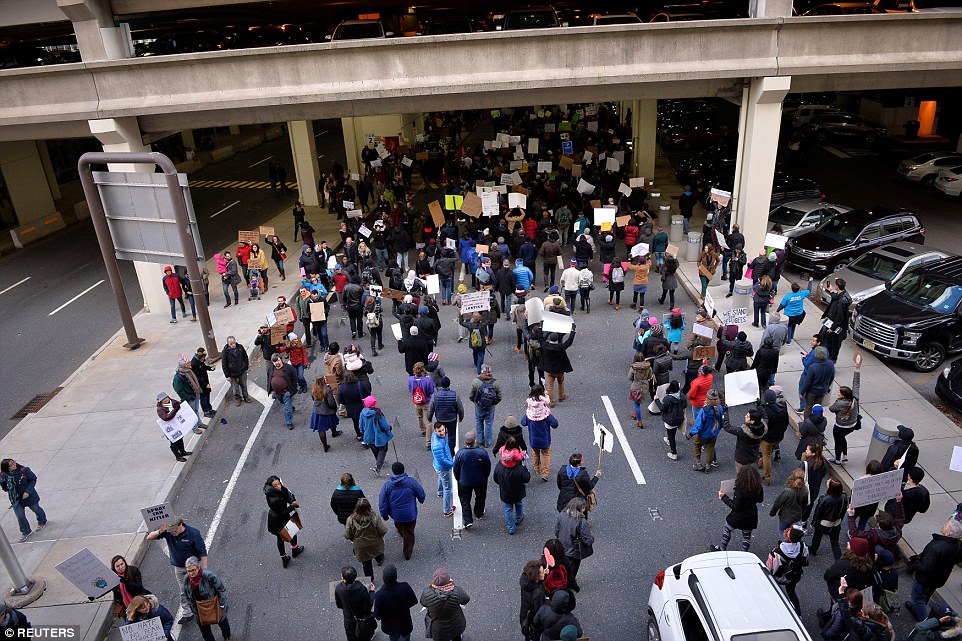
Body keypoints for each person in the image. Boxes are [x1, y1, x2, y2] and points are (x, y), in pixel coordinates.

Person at [146, 516, 207, 624]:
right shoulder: (168, 532)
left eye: (174, 531)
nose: (172, 533)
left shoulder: (193, 533)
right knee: (183, 590)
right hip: (179, 568)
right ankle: (187, 613)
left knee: (199, 587)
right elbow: (149, 537)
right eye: (171, 531)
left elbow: (202, 551)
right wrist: (161, 531)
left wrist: (205, 569)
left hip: (193, 567)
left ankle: (206, 605)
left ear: (180, 525)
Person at [906, 519, 962, 621]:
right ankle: (915, 609)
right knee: (926, 595)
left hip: (925, 579)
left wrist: (916, 564)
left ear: (948, 533)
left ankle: (923, 620)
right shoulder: (957, 545)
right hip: (939, 577)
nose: (944, 524)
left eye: (946, 525)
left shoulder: (937, 547)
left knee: (918, 598)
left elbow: (925, 567)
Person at [378, 462, 425, 561]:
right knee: (409, 532)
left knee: (399, 525)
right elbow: (421, 493)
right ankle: (407, 552)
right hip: (410, 514)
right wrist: (421, 499)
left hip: (396, 515)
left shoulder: (388, 485)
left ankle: (401, 532)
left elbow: (382, 500)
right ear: (403, 470)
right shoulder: (411, 482)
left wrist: (384, 514)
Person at [712, 464, 764, 552]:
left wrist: (723, 497)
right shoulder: (758, 487)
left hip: (738, 517)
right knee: (747, 537)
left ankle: (722, 548)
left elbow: (735, 506)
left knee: (727, 529)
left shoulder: (740, 490)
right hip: (751, 516)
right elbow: (760, 500)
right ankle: (744, 553)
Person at [180, 556, 230, 641]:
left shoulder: (209, 576)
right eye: (189, 571)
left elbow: (221, 590)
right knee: (205, 631)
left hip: (214, 604)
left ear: (198, 568)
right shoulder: (186, 579)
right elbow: (187, 595)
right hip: (199, 607)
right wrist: (194, 611)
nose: (191, 573)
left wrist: (222, 605)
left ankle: (227, 636)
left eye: (193, 570)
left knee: (222, 622)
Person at [344, 497, 388, 588]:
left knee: (366, 564)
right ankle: (379, 560)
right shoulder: (374, 516)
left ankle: (370, 580)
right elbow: (382, 530)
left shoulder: (351, 519)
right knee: (377, 552)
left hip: (361, 546)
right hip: (374, 542)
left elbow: (347, 534)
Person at [0, 458, 47, 542]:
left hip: (29, 496)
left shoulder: (24, 470)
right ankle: (26, 531)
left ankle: (42, 521)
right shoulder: (3, 475)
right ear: (7, 468)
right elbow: (5, 487)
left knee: (36, 509)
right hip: (15, 499)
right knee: (20, 516)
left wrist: (28, 491)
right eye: (11, 465)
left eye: (14, 462)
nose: (14, 464)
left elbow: (33, 479)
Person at [263, 475, 304, 568]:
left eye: (279, 483)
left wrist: (292, 500)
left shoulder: (274, 492)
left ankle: (286, 557)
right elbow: (282, 512)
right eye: (275, 485)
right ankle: (293, 551)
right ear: (272, 487)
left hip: (278, 518)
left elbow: (287, 493)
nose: (279, 486)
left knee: (284, 536)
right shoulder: (275, 500)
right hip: (278, 519)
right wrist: (292, 506)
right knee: (288, 534)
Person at [766, 526, 808, 614]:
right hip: (795, 575)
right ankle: (798, 613)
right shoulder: (802, 546)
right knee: (791, 592)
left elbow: (773, 568)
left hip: (781, 576)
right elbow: (805, 561)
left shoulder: (778, 551)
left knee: (774, 590)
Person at [494, 436, 531, 535]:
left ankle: (511, 527)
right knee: (519, 504)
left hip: (505, 492)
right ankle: (519, 518)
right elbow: (527, 478)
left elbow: (495, 479)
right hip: (518, 492)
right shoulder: (519, 468)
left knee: (507, 509)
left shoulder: (499, 466)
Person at [453, 431, 491, 528]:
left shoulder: (460, 453)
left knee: (465, 500)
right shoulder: (482, 452)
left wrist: (459, 479)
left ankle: (468, 520)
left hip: (464, 481)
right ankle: (478, 513)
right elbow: (487, 466)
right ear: (475, 441)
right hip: (480, 480)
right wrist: (485, 476)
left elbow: (456, 469)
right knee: (480, 497)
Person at [828, 354, 861, 465]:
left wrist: (836, 403)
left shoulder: (840, 403)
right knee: (843, 438)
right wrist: (857, 370)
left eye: (839, 392)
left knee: (838, 441)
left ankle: (837, 459)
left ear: (842, 395)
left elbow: (831, 409)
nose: (837, 393)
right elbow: (856, 385)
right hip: (852, 425)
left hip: (840, 426)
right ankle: (845, 456)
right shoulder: (854, 398)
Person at [420, 569, 470, 641]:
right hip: (455, 623)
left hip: (438, 628)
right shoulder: (457, 591)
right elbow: (466, 600)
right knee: (456, 637)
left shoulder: (427, 592)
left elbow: (423, 603)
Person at [522, 385, 559, 481]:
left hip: (533, 440)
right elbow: (555, 424)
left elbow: (523, 422)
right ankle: (545, 473)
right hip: (545, 439)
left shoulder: (529, 413)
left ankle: (537, 468)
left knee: (535, 453)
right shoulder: (545, 413)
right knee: (546, 454)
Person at [555, 497, 593, 588]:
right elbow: (587, 540)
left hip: (561, 546)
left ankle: (560, 580)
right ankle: (569, 582)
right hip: (574, 549)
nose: (584, 509)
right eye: (583, 508)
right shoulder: (582, 522)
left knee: (561, 564)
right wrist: (592, 539)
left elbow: (556, 531)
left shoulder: (561, 515)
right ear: (579, 509)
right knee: (574, 566)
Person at [373, 565, 417, 641]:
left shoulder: (379, 595)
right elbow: (413, 601)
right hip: (405, 623)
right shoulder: (405, 586)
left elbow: (378, 616)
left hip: (391, 627)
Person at [810, 478, 849, 560]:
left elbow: (818, 513)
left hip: (824, 523)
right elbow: (844, 510)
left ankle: (813, 550)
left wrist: (814, 523)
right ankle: (839, 560)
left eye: (829, 481)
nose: (827, 481)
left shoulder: (824, 499)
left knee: (817, 536)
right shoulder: (844, 497)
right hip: (837, 523)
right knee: (835, 543)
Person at [688, 390, 725, 473]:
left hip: (703, 434)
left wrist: (691, 433)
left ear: (708, 399)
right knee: (710, 448)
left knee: (696, 445)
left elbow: (698, 425)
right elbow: (721, 421)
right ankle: (708, 466)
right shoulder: (720, 408)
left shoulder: (704, 411)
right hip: (713, 433)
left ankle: (698, 464)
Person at [722, 408, 767, 474]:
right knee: (749, 473)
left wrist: (725, 413)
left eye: (748, 416)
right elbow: (765, 417)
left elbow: (727, 427)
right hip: (753, 456)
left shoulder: (743, 432)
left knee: (741, 475)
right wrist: (759, 406)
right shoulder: (762, 429)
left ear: (752, 421)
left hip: (741, 458)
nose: (745, 416)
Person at [335, 566, 374, 641]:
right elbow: (367, 607)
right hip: (362, 617)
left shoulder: (338, 588)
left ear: (343, 578)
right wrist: (372, 592)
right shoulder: (362, 589)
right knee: (364, 635)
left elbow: (339, 605)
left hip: (348, 618)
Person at [427, 377, 463, 455]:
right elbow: (460, 408)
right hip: (452, 419)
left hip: (440, 418)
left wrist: (429, 418)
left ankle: (442, 450)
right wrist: (461, 417)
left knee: (440, 434)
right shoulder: (454, 395)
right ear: (449, 384)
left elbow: (431, 408)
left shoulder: (435, 395)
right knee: (452, 437)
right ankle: (451, 452)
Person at [760, 388, 789, 485]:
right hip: (779, 437)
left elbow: (763, 426)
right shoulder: (782, 409)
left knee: (766, 456)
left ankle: (767, 477)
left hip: (767, 438)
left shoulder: (766, 411)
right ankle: (761, 462)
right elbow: (786, 423)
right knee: (770, 451)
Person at [469, 364, 502, 448]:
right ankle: (488, 442)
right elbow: (499, 397)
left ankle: (480, 440)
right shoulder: (495, 383)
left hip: (479, 406)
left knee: (479, 421)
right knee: (489, 423)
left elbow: (471, 395)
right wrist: (493, 403)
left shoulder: (476, 381)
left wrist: (476, 402)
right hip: (490, 407)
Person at [541, 328, 576, 407]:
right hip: (559, 370)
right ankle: (561, 396)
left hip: (549, 370)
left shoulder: (546, 346)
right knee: (560, 382)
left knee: (550, 386)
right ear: (557, 339)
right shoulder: (561, 347)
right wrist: (572, 331)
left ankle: (552, 402)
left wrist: (540, 328)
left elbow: (540, 339)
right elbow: (569, 342)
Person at [359, 396, 393, 476]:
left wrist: (362, 432)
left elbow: (360, 425)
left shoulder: (363, 413)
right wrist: (388, 429)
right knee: (383, 449)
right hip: (379, 436)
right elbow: (384, 425)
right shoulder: (378, 414)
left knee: (374, 449)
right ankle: (378, 466)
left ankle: (379, 461)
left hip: (368, 436)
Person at [799, 346, 835, 420]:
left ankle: (807, 423)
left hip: (812, 391)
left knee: (808, 407)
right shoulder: (830, 364)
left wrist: (802, 392)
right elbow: (832, 377)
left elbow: (807, 382)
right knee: (818, 407)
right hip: (823, 390)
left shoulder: (813, 367)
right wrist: (827, 386)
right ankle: (817, 421)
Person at [821, 277, 852, 361]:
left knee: (832, 345)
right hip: (832, 325)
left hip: (835, 328)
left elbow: (839, 317)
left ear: (837, 286)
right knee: (825, 340)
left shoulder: (842, 301)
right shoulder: (842, 296)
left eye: (835, 285)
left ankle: (831, 362)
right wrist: (831, 291)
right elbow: (836, 297)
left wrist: (832, 328)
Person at [770, 468, 808, 535]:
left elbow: (778, 503)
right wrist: (802, 513)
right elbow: (805, 505)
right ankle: (790, 540)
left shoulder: (788, 491)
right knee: (790, 530)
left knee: (781, 530)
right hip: (797, 516)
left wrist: (773, 512)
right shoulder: (805, 491)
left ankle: (786, 543)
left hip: (785, 516)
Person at [655, 380, 687, 461]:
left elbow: (662, 408)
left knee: (671, 435)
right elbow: (685, 405)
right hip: (679, 417)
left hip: (670, 419)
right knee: (674, 431)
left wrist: (657, 400)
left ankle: (674, 453)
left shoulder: (668, 398)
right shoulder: (682, 396)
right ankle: (668, 439)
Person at [172, 358, 205, 434]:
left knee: (196, 410)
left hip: (195, 393)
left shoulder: (189, 371)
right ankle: (194, 427)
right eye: (188, 363)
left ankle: (199, 423)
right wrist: (187, 397)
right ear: (184, 366)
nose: (190, 363)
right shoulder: (178, 377)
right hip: (190, 397)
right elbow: (178, 390)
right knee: (191, 413)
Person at [111, 554, 148, 619]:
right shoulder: (114, 578)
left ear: (125, 563)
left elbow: (139, 586)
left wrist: (126, 582)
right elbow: (108, 589)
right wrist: (94, 596)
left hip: (138, 601)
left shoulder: (133, 571)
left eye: (122, 564)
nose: (120, 567)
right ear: (114, 568)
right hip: (126, 606)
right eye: (117, 566)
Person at [431, 422, 457, 517]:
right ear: (435, 431)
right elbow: (442, 461)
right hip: (444, 468)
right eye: (439, 431)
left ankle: (439, 492)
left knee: (441, 478)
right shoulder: (438, 445)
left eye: (443, 430)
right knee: (448, 489)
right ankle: (447, 510)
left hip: (438, 466)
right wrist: (453, 464)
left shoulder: (434, 436)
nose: (442, 432)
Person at [520, 559, 548, 641]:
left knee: (527, 634)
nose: (544, 573)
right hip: (534, 622)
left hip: (525, 615)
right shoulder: (538, 593)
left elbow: (535, 583)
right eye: (542, 572)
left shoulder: (525, 580)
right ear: (536, 576)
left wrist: (543, 575)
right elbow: (539, 610)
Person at [269, 354, 297, 430]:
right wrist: (271, 389)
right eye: (274, 361)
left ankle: (289, 422)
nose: (276, 363)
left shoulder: (288, 368)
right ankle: (291, 407)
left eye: (277, 360)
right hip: (277, 392)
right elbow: (269, 379)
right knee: (284, 403)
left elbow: (294, 378)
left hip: (286, 392)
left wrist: (293, 388)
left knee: (287, 408)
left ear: (281, 359)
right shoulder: (271, 369)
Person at [220, 336, 250, 406]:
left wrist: (245, 367)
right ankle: (238, 399)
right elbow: (224, 364)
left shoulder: (240, 347)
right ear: (228, 344)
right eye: (231, 344)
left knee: (244, 385)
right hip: (232, 373)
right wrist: (227, 375)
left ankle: (246, 397)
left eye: (234, 343)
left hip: (242, 370)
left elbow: (245, 357)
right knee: (235, 388)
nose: (233, 345)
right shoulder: (225, 352)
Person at [628, 352, 652, 429]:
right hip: (645, 386)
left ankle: (639, 421)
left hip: (636, 386)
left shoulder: (633, 368)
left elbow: (630, 377)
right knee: (639, 402)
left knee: (636, 404)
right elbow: (650, 376)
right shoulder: (648, 367)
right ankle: (636, 414)